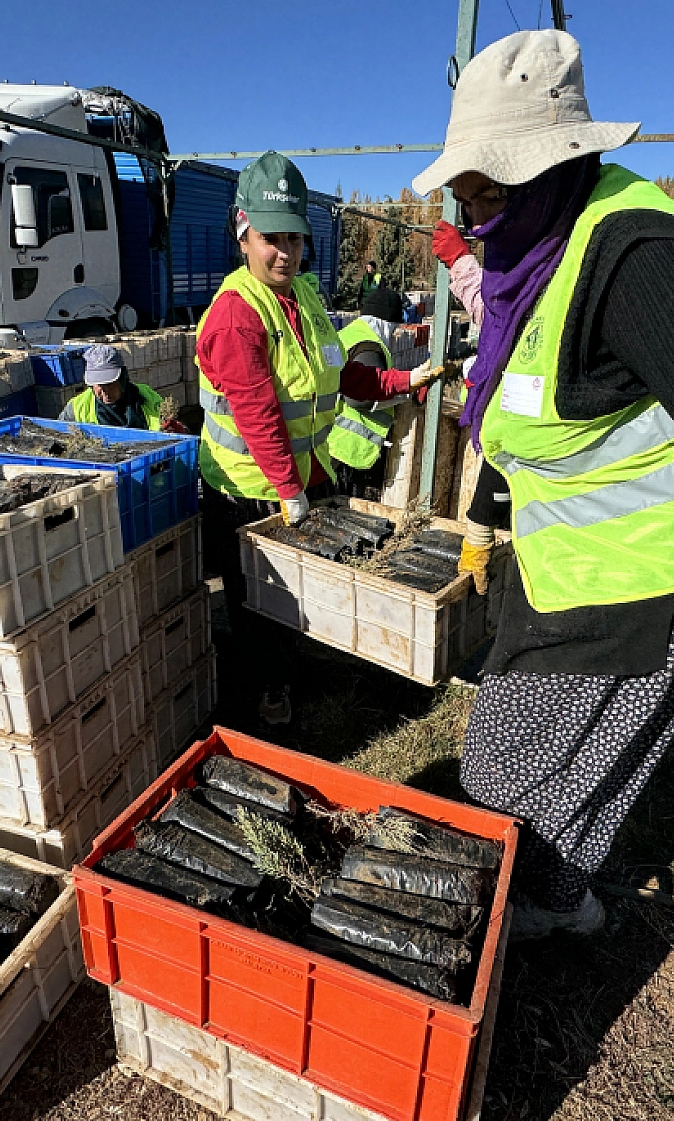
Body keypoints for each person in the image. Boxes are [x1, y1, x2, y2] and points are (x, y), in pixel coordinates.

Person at [411, 30, 674, 939]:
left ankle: (549, 906)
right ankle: (552, 898)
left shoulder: (637, 254)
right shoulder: (526, 256)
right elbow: (525, 408)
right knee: (539, 760)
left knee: (525, 773)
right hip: (564, 574)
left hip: (644, 587)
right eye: (464, 194)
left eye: (487, 188)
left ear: (556, 161)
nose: (473, 212)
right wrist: (483, 523)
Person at [195, 151, 440, 725]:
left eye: (296, 239)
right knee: (257, 599)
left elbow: (339, 373)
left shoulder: (304, 296)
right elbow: (257, 413)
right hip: (249, 489)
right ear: (243, 232)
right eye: (271, 238)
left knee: (294, 594)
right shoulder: (237, 315)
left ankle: (288, 667)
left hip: (301, 477)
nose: (285, 252)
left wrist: (403, 379)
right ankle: (266, 693)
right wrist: (289, 491)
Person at [329, 285, 410, 499]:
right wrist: (404, 394)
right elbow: (359, 398)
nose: (393, 334)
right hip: (350, 449)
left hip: (331, 440)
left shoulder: (347, 334)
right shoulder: (369, 346)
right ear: (385, 323)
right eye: (393, 328)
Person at [60, 343, 181, 431]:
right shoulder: (77, 408)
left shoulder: (147, 397)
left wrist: (177, 429)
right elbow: (57, 435)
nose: (105, 392)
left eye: (110, 384)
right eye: (99, 386)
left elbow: (171, 427)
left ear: (122, 378)